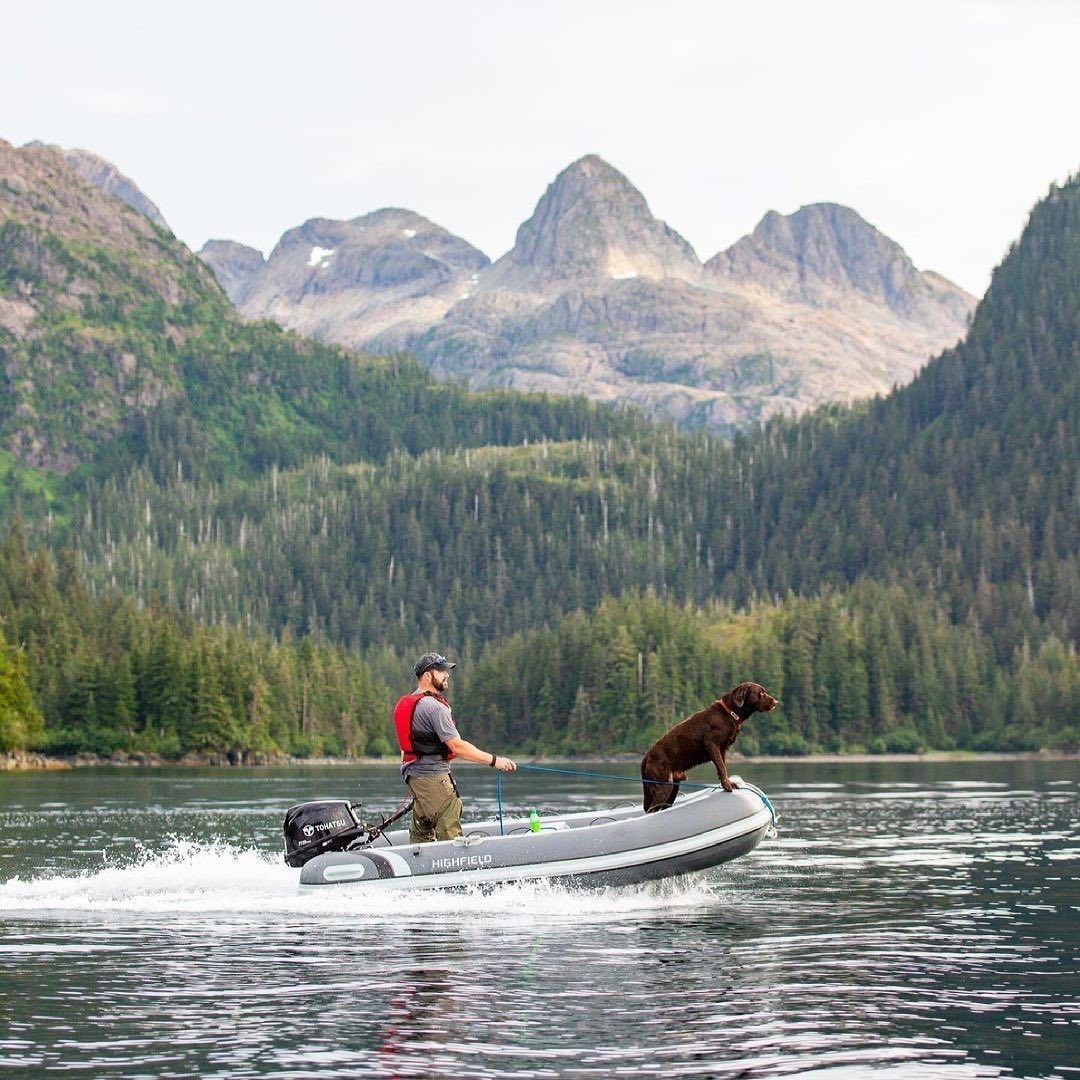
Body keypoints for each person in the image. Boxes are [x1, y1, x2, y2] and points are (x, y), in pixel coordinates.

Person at [393, 652, 516, 843]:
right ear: (427, 675)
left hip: (415, 779)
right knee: (449, 827)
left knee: (421, 835)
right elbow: (457, 746)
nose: (447, 674)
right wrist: (495, 761)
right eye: (441, 671)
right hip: (434, 779)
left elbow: (405, 749)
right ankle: (458, 871)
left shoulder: (411, 704)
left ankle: (420, 871)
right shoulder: (434, 707)